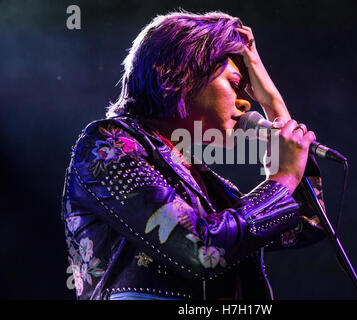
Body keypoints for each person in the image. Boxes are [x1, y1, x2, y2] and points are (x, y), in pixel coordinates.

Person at [61, 10, 326, 300]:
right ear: (177, 74)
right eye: (235, 85)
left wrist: (274, 104)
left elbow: (304, 225)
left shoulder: (207, 184)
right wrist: (283, 177)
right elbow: (202, 249)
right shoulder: (107, 144)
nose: (244, 103)